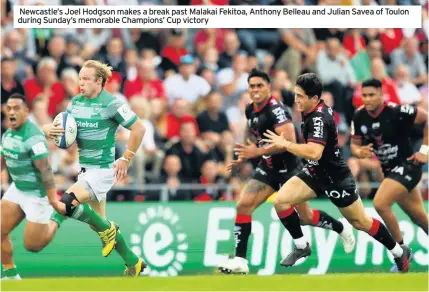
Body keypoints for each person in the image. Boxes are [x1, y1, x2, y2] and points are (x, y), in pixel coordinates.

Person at [262, 73, 411, 272]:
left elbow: (315, 151)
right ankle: (301, 246)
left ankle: (399, 252)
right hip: (315, 172)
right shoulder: (311, 107)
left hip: (336, 179)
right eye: (296, 95)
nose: (296, 100)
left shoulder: (319, 119)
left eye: (300, 96)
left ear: (314, 99)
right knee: (281, 201)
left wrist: (286, 144)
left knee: (361, 222)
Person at [217, 69, 355, 275]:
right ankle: (240, 260)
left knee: (306, 217)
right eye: (252, 86)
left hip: (290, 169)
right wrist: (247, 153)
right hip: (268, 168)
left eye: (259, 85)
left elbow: (288, 139)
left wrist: (257, 151)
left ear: (269, 88)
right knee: (243, 205)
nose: (255, 90)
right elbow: (252, 132)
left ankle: (341, 228)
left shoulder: (276, 110)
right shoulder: (250, 110)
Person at [42, 60, 146, 277]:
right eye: (80, 79)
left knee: (67, 203)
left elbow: (139, 128)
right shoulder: (75, 103)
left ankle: (109, 231)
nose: (81, 83)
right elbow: (65, 134)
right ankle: (133, 262)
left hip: (102, 171)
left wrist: (127, 157)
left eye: (86, 79)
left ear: (99, 81)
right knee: (97, 224)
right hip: (85, 169)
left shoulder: (112, 103)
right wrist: (48, 129)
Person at [350, 78, 428, 272]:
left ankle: (401, 251)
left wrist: (425, 150)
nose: (367, 99)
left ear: (381, 95)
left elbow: (427, 118)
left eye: (371, 95)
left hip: (408, 166)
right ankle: (402, 252)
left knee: (380, 203)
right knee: (419, 217)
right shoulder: (359, 117)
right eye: (364, 95)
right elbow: (354, 145)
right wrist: (360, 153)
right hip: (390, 172)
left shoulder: (397, 111)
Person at [1, 93, 65, 280]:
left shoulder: (34, 138)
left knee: (33, 245)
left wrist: (53, 200)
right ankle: (10, 274)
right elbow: (3, 158)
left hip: (37, 194)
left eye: (16, 108)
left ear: (26, 112)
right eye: (9, 108)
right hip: (18, 188)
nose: (11, 112)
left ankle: (58, 218)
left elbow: (46, 171)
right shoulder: (7, 134)